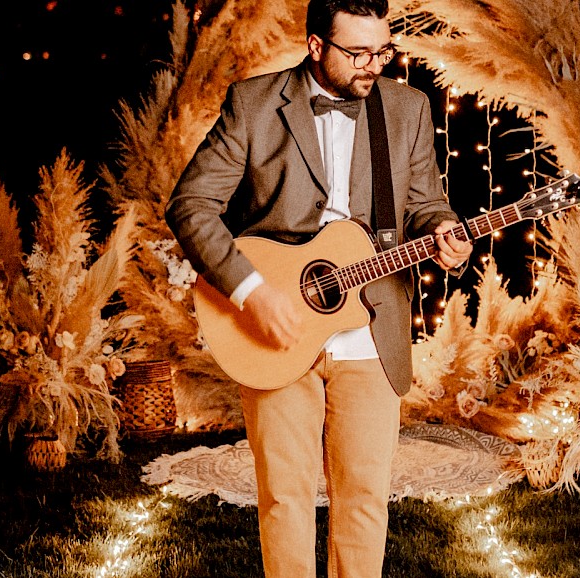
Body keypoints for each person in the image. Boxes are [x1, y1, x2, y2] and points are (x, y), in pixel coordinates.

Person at [165, 0, 473, 575]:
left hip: (371, 326)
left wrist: (446, 233)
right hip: (273, 328)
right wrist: (251, 291)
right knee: (285, 499)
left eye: (382, 50)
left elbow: (430, 206)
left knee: (364, 499)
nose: (373, 64)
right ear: (315, 47)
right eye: (357, 53)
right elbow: (191, 206)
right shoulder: (254, 104)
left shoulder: (407, 110)